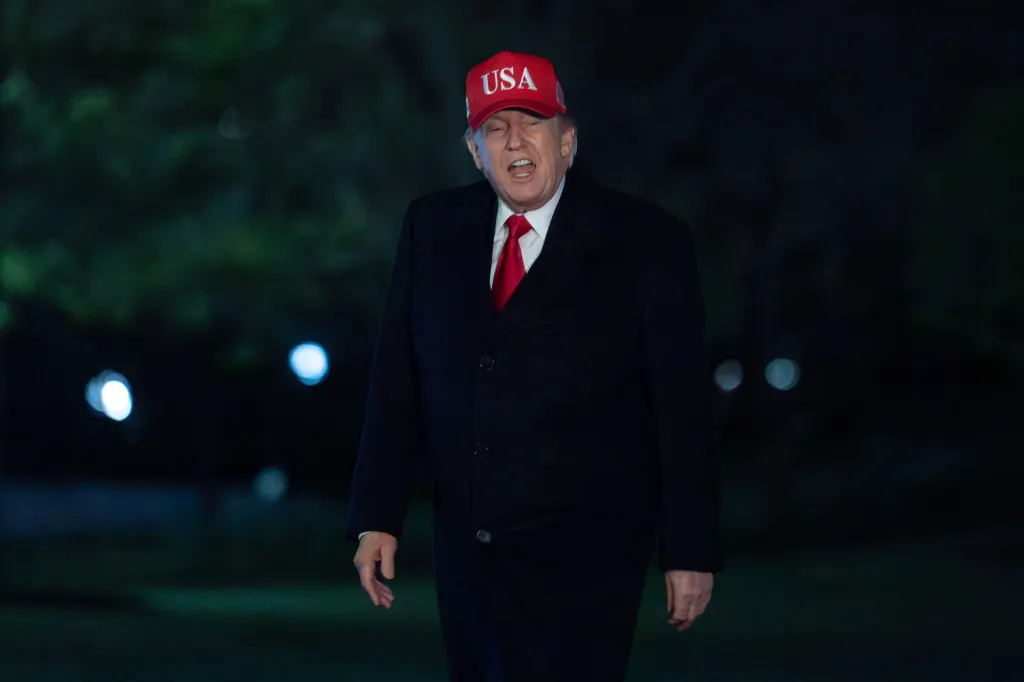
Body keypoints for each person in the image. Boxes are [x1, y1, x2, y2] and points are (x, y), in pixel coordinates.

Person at [347, 50, 722, 682]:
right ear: (474, 152)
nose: (515, 141)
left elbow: (682, 410)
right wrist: (376, 518)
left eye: (533, 122)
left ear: (568, 140)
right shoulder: (432, 229)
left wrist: (689, 549)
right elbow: (396, 383)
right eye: (495, 127)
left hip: (589, 553)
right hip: (470, 547)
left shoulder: (647, 242)